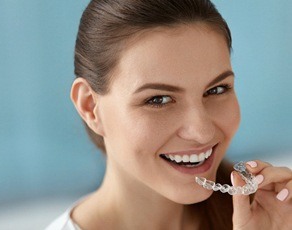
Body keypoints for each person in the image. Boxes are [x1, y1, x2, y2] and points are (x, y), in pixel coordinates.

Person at [46, 0, 292, 229]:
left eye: (216, 89)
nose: (202, 131)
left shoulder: (268, 216)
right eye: (158, 99)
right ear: (90, 107)